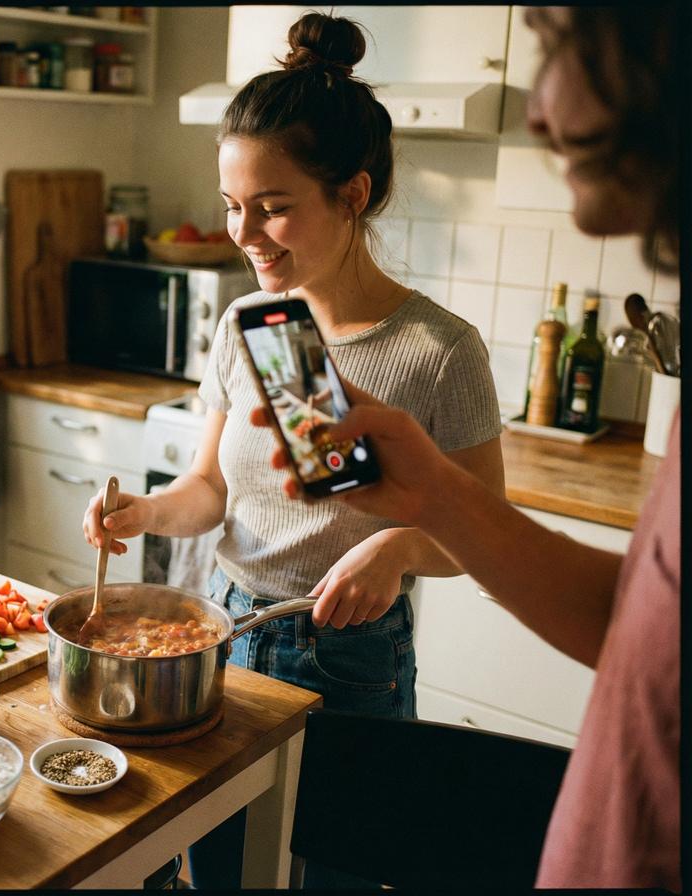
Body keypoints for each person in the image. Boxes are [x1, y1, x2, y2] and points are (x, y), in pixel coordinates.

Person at [250, 5, 681, 890]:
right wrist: (431, 500)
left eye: (564, 43)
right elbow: (634, 631)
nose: (534, 107)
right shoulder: (258, 325)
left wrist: (417, 533)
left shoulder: (439, 346)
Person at [82, 11, 505, 889]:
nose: (245, 234)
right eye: (234, 207)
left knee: (332, 875)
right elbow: (210, 489)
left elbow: (483, 531)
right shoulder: (258, 326)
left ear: (352, 194)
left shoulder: (437, 350)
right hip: (220, 635)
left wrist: (394, 548)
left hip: (346, 660)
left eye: (273, 209)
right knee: (223, 870)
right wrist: (143, 512)